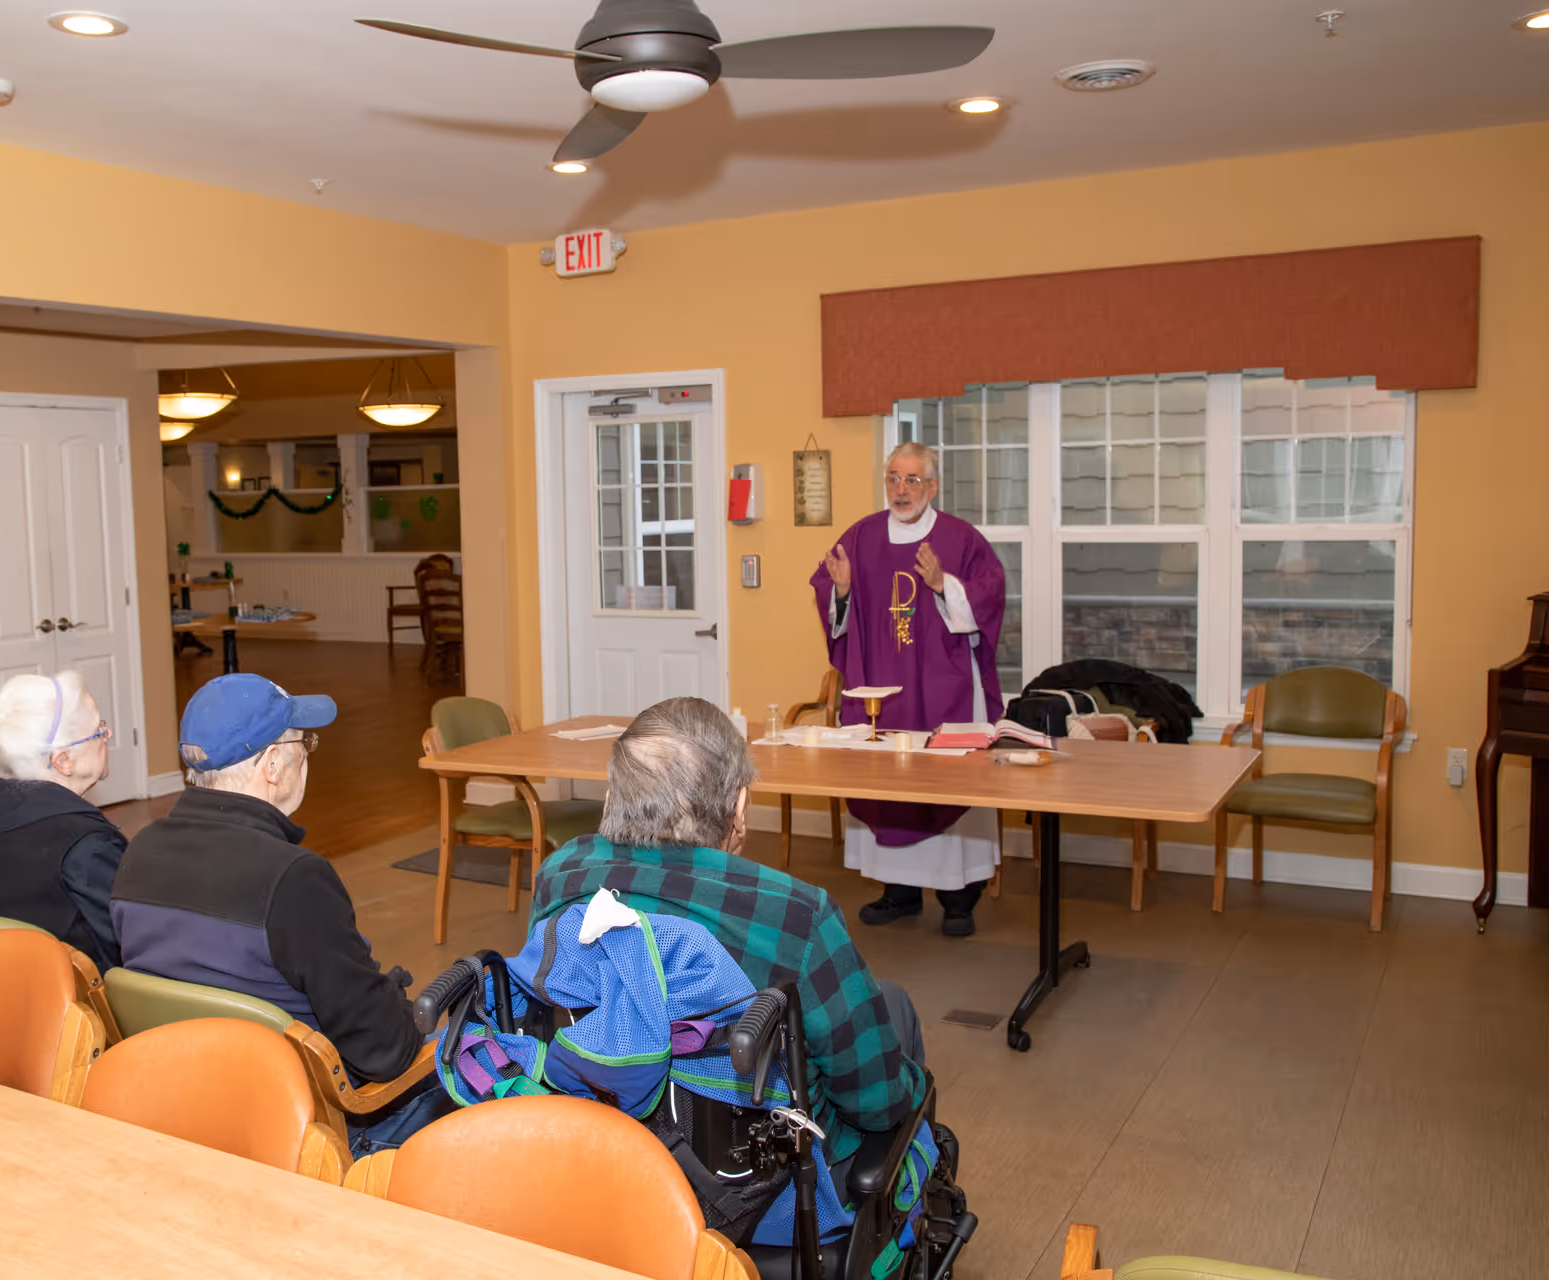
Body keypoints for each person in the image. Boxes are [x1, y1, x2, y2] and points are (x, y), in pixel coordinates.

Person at [530, 697, 927, 1168]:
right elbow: (878, 1104)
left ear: (615, 796)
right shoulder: (796, 915)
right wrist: (915, 1087)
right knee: (892, 1006)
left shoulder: (561, 874)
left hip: (604, 1147)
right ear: (739, 806)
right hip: (767, 1180)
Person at [110, 673, 439, 1152]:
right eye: (302, 743)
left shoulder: (138, 854)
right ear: (271, 766)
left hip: (179, 1101)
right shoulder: (293, 879)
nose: (306, 755)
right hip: (300, 1123)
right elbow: (385, 1053)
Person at [810, 440, 1007, 937]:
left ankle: (959, 897)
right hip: (884, 686)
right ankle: (898, 892)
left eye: (913, 480)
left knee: (949, 779)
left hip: (944, 688)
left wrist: (945, 586)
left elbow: (989, 598)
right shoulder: (860, 536)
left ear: (933, 486)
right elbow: (830, 596)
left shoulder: (960, 539)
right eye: (894, 478)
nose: (902, 490)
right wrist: (844, 590)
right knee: (886, 781)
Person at [0, 671, 124, 971]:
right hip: (73, 1007)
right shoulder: (85, 846)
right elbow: (133, 943)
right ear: (64, 761)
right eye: (99, 730)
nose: (109, 735)